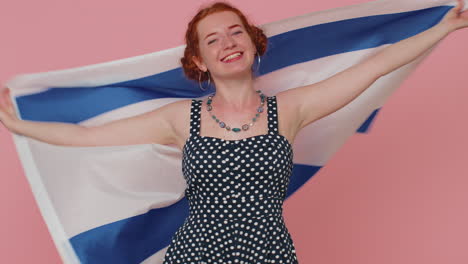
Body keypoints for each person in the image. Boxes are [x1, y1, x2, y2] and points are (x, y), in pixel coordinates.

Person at [1, 1, 467, 263]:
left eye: (236, 32)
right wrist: (18, 125)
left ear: (252, 43)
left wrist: (442, 28)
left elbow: (377, 64)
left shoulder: (292, 109)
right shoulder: (180, 119)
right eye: (213, 39)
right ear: (199, 61)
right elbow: (85, 139)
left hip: (269, 256)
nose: (228, 43)